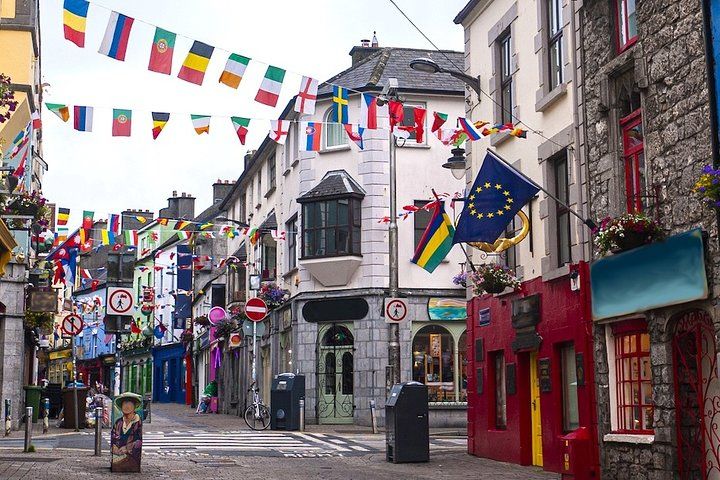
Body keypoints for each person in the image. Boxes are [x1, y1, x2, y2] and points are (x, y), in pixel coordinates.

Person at [111, 393, 142, 472]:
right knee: (117, 464)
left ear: (134, 406)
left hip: (132, 456)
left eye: (129, 403)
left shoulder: (138, 422)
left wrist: (127, 448)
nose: (126, 406)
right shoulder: (118, 422)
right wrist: (114, 446)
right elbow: (114, 436)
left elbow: (138, 441)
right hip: (118, 455)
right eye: (124, 403)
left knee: (122, 465)